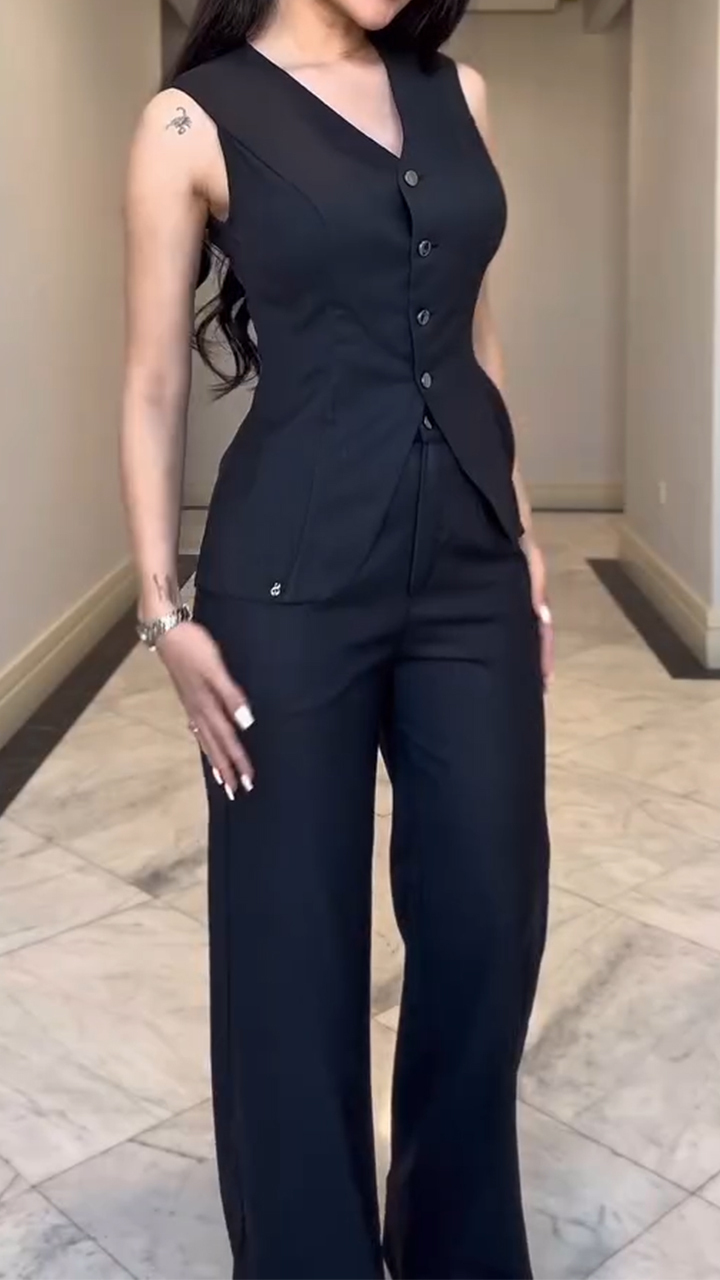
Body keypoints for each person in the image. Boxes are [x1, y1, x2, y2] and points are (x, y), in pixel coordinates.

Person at [121, 0, 552, 1272]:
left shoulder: (459, 93)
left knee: (488, 915)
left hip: (470, 570)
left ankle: (456, 1246)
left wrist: (524, 531)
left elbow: (475, 330)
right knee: (290, 948)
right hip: (287, 584)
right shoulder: (191, 122)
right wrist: (162, 608)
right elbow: (151, 381)